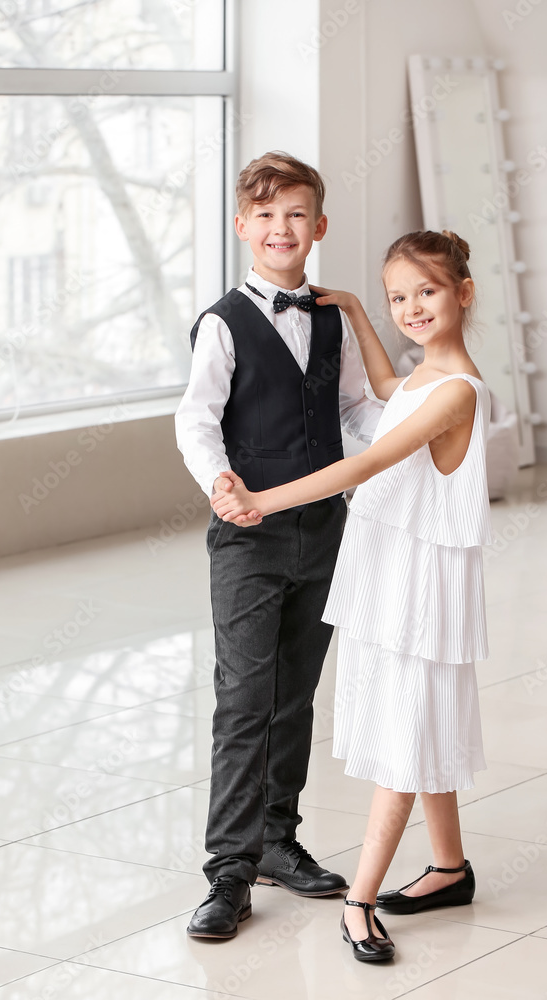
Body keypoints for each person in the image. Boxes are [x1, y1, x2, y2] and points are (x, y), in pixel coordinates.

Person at [211, 229, 492, 962]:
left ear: (463, 293)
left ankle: (360, 902)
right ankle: (450, 868)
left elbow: (364, 458)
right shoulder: (425, 382)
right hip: (395, 575)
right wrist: (363, 316)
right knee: (421, 720)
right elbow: (383, 392)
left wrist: (262, 500)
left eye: (425, 292)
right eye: (399, 297)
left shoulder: (455, 392)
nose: (411, 308)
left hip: (417, 593)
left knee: (405, 736)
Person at [175, 151, 383, 940]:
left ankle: (275, 839)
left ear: (318, 226)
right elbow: (195, 416)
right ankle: (228, 870)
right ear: (241, 227)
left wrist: (413, 440)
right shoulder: (224, 322)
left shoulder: (330, 317)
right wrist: (219, 480)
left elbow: (355, 413)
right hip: (248, 534)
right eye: (264, 215)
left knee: (293, 692)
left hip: (325, 528)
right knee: (244, 698)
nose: (280, 228)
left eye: (295, 214)